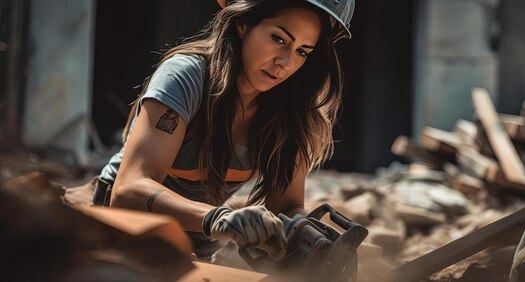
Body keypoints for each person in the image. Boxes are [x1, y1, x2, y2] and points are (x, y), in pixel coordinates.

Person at [93, 0, 355, 262]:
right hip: (122, 224)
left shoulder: (293, 112)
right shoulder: (186, 78)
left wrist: (307, 238)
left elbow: (286, 208)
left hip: (200, 235)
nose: (285, 62)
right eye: (278, 38)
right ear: (243, 24)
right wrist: (218, 217)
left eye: (303, 52)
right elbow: (127, 190)